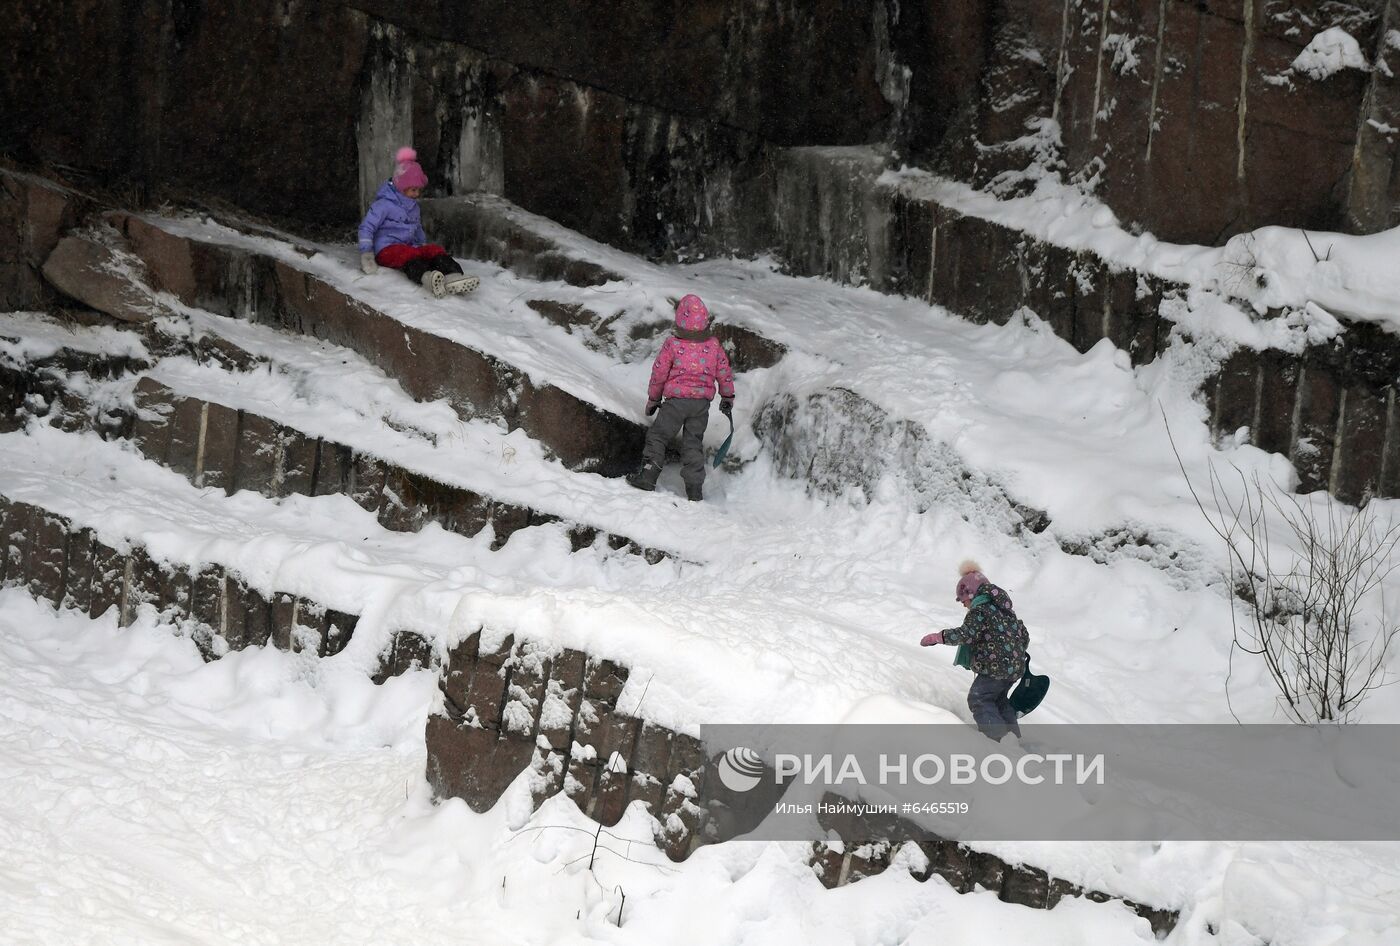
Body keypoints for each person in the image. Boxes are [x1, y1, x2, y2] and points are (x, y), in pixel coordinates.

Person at [625, 294, 735, 502]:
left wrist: (654, 399)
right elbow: (724, 372)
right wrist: (727, 396)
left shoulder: (672, 345)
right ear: (705, 321)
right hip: (701, 406)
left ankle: (648, 475)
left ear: (680, 320)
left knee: (658, 436)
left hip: (675, 403)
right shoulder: (713, 346)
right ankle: (695, 491)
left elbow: (659, 373)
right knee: (692, 445)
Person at [921, 560, 1030, 741]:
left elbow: (967, 634)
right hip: (1014, 668)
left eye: (963, 600)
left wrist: (939, 637)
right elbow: (1024, 637)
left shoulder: (981, 610)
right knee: (1000, 701)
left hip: (995, 667)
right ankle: (1014, 741)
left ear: (972, 593)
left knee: (979, 699)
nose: (964, 605)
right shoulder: (1006, 611)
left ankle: (999, 741)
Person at [357, 147, 478, 298]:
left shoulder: (413, 207)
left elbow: (417, 227)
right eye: (413, 190)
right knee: (408, 254)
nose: (417, 194)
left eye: (418, 190)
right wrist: (366, 253)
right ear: (402, 186)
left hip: (410, 247)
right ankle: (427, 277)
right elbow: (366, 227)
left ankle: (453, 276)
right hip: (387, 249)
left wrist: (423, 246)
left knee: (433, 250)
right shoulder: (383, 205)